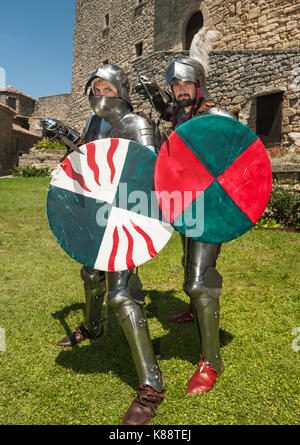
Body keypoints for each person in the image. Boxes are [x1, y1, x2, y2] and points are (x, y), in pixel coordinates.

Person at [41, 64, 164, 425]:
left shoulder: (138, 124)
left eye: (106, 87)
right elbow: (88, 162)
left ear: (121, 90)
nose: (99, 94)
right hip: (99, 210)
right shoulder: (95, 124)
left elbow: (150, 176)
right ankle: (94, 328)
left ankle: (151, 385)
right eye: (94, 88)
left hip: (130, 217)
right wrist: (66, 137)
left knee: (121, 294)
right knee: (90, 273)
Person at [136, 28, 236, 394]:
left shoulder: (217, 113)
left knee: (198, 281)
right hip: (186, 205)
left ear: (198, 84)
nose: (180, 90)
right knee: (187, 265)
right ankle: (195, 313)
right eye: (175, 85)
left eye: (186, 83)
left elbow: (238, 160)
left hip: (211, 208)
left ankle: (211, 362)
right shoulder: (178, 116)